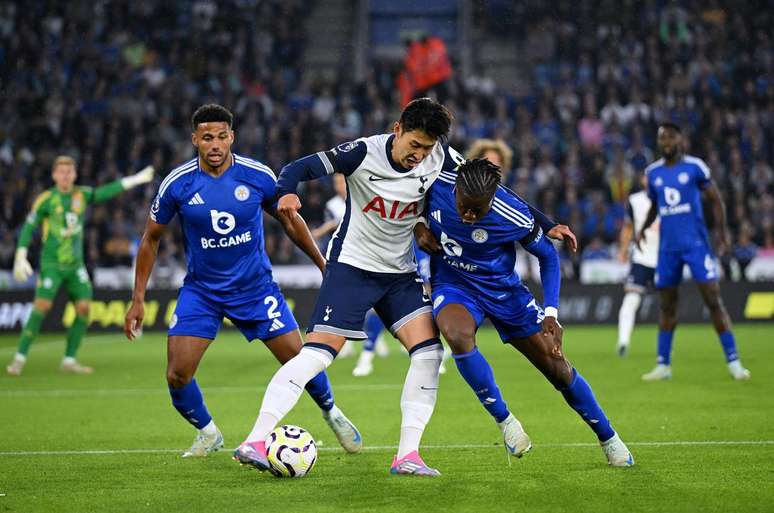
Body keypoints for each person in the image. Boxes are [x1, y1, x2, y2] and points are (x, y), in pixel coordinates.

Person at [123, 104, 362, 458]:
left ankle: (332, 411)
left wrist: (322, 263)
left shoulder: (258, 176)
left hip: (256, 289)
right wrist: (138, 298)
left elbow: (290, 220)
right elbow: (150, 238)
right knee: (177, 374)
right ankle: (208, 432)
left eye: (221, 136)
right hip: (202, 292)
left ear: (231, 137)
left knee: (300, 361)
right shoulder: (178, 183)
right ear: (195, 140)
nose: (215, 144)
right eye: (207, 138)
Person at [235, 98, 457, 476]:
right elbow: (297, 167)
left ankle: (408, 456)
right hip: (351, 268)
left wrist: (542, 225)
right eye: (414, 145)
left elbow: (485, 190)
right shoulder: (362, 152)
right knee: (318, 356)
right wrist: (285, 193)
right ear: (397, 128)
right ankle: (255, 440)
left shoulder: (443, 157)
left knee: (429, 354)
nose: (419, 155)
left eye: (427, 148)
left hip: (400, 274)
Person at [414, 158, 635, 467]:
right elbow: (404, 206)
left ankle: (609, 437)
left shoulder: (511, 213)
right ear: (456, 190)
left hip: (504, 292)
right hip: (455, 284)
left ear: (492, 199)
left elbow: (548, 257)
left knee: (557, 365)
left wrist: (552, 313)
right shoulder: (435, 185)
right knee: (457, 335)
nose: (468, 215)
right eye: (464, 206)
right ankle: (506, 422)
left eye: (478, 210)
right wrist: (418, 227)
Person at [7, 155, 155, 376]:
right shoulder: (46, 200)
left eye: (69, 172)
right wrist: (20, 254)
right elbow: (29, 227)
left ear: (74, 174)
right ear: (54, 175)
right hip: (52, 264)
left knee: (84, 308)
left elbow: (106, 192)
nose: (65, 176)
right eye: (61, 172)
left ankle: (69, 359)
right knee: (42, 307)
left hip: (76, 265)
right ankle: (19, 358)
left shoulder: (81, 195)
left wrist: (134, 180)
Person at [636, 123, 750, 381]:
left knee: (713, 299)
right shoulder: (653, 173)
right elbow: (655, 204)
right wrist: (642, 229)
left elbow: (716, 200)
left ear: (680, 140)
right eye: (662, 138)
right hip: (668, 250)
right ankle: (663, 365)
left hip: (696, 245)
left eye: (670, 137)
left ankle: (734, 362)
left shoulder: (695, 167)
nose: (666, 142)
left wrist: (722, 233)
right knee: (666, 305)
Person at [311, 173, 390, 372]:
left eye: (342, 182)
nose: (340, 185)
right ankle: (349, 342)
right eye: (336, 182)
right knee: (347, 303)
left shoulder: (365, 197)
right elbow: (332, 231)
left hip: (368, 255)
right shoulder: (332, 205)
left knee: (373, 304)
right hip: (343, 258)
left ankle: (374, 340)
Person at [616, 173, 659, 356]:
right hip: (641, 256)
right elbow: (628, 227)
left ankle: (664, 350)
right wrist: (624, 249)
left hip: (664, 258)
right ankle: (623, 342)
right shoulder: (635, 200)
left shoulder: (669, 198)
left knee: (667, 303)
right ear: (643, 179)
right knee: (631, 300)